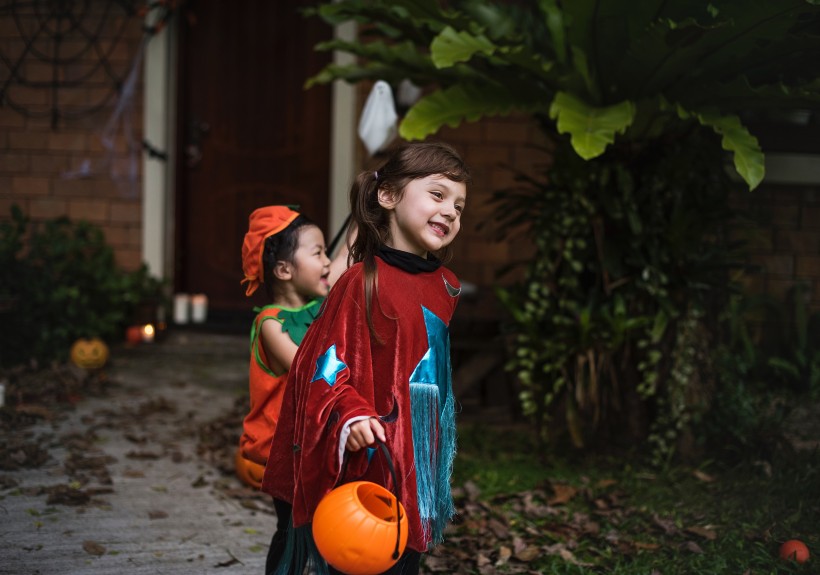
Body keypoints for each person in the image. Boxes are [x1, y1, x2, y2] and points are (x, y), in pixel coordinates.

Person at [262, 142, 471, 575]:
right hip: (369, 451)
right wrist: (351, 416)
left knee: (404, 552)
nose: (450, 211)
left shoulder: (447, 285)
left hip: (416, 454)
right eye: (437, 195)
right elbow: (322, 363)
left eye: (459, 205)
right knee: (359, 556)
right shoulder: (362, 282)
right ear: (388, 196)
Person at [237, 205, 351, 575]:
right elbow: (309, 368)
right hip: (286, 448)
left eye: (325, 252)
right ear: (284, 270)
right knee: (292, 528)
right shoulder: (270, 323)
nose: (327, 262)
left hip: (317, 442)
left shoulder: (322, 305)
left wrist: (365, 210)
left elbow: (345, 258)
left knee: (328, 523)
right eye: (317, 253)